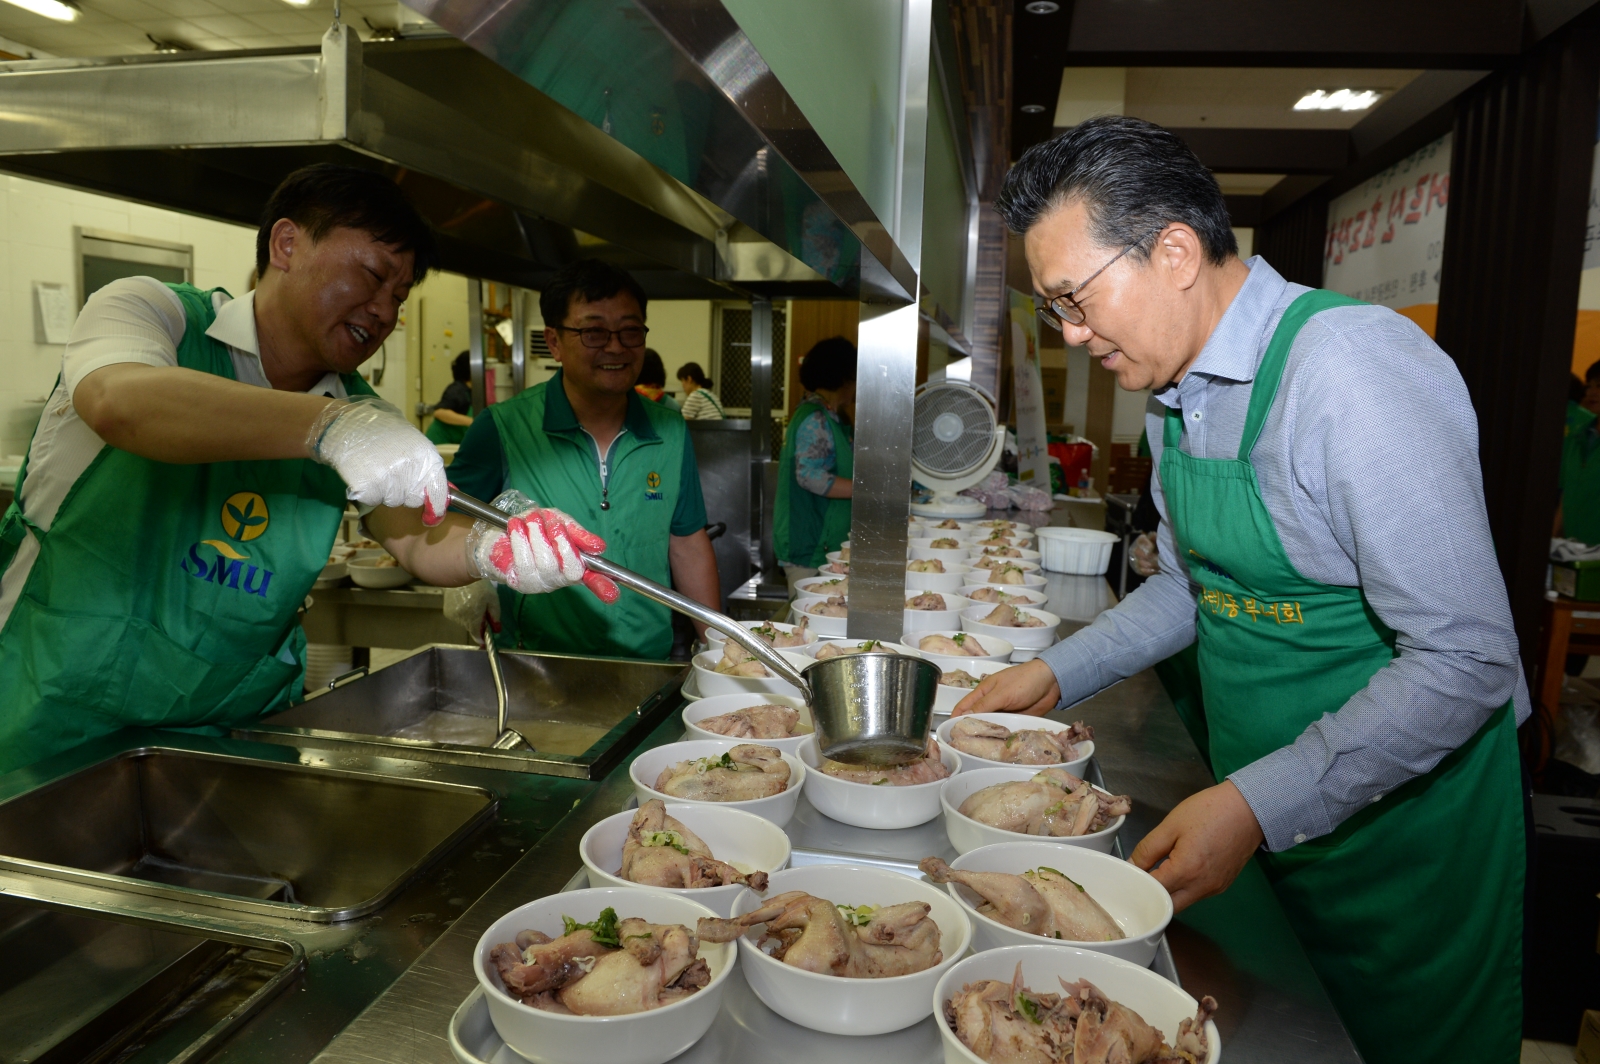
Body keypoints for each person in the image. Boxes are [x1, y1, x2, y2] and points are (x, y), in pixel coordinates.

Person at [955, 117, 1525, 1064]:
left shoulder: (1350, 373)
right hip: (1270, 810)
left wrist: (1259, 804)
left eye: (1075, 300)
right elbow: (1190, 586)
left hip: (1404, 842)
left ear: (1175, 250)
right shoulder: (1181, 394)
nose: (1071, 333)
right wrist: (1054, 678)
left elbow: (1467, 658)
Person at [0, 163, 603, 774]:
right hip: (47, 725)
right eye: (371, 275)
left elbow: (417, 537)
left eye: (399, 296)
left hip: (227, 740)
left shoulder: (363, 410)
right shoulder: (151, 311)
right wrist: (324, 427)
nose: (384, 311)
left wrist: (490, 547)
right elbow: (121, 401)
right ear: (286, 244)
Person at [402, 259, 720, 659]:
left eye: (630, 330)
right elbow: (446, 520)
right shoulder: (503, 427)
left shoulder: (670, 430)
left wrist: (718, 645)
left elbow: (687, 541)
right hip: (538, 663)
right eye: (593, 332)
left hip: (647, 661)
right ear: (553, 342)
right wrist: (474, 580)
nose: (616, 346)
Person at [774, 337, 856, 590]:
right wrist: (867, 491)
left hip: (825, 541)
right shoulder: (816, 417)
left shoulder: (834, 414)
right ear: (843, 377)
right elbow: (809, 475)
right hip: (809, 544)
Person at [425, 351, 475, 445]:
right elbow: (440, 412)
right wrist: (472, 422)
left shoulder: (473, 391)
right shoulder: (457, 389)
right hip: (438, 446)